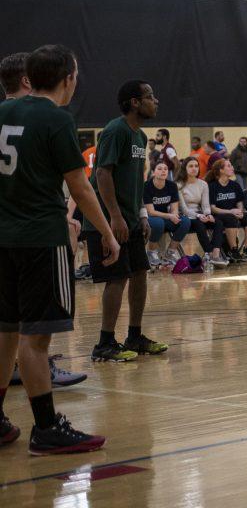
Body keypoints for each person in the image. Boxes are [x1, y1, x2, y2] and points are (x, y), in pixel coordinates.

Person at [0, 45, 119, 454]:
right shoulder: (56, 118)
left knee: (5, 332)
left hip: (3, 238)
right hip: (40, 239)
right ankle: (47, 427)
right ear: (68, 78)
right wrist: (106, 231)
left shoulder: (2, 112)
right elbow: (79, 187)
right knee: (35, 341)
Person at [83, 80, 168, 362]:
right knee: (116, 278)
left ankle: (135, 335)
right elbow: (103, 175)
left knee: (140, 273)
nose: (155, 101)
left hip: (131, 220)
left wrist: (142, 214)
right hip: (109, 221)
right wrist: (115, 217)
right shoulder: (114, 131)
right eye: (150, 96)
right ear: (134, 102)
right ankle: (104, 343)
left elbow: (136, 179)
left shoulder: (141, 137)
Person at [207, 159, 247, 262]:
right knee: (230, 218)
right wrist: (231, 211)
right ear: (221, 170)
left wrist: (240, 211)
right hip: (220, 214)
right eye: (229, 166)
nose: (232, 168)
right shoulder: (212, 186)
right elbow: (213, 208)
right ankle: (233, 250)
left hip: (234, 213)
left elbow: (240, 203)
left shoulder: (235, 185)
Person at [178, 156, 224, 266]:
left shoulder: (203, 184)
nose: (194, 168)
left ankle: (216, 254)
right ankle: (209, 252)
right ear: (185, 168)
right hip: (186, 216)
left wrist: (208, 214)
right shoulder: (178, 185)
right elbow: (184, 209)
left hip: (200, 213)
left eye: (196, 166)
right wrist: (199, 216)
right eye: (191, 166)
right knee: (199, 224)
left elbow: (205, 204)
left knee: (218, 222)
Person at [143, 161, 190, 266]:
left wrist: (174, 215)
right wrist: (170, 216)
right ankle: (151, 252)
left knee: (185, 222)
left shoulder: (172, 185)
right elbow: (151, 211)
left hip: (165, 216)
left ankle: (170, 253)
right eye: (159, 169)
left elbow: (174, 208)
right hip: (150, 217)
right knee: (158, 223)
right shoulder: (147, 186)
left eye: (165, 169)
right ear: (153, 172)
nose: (163, 171)